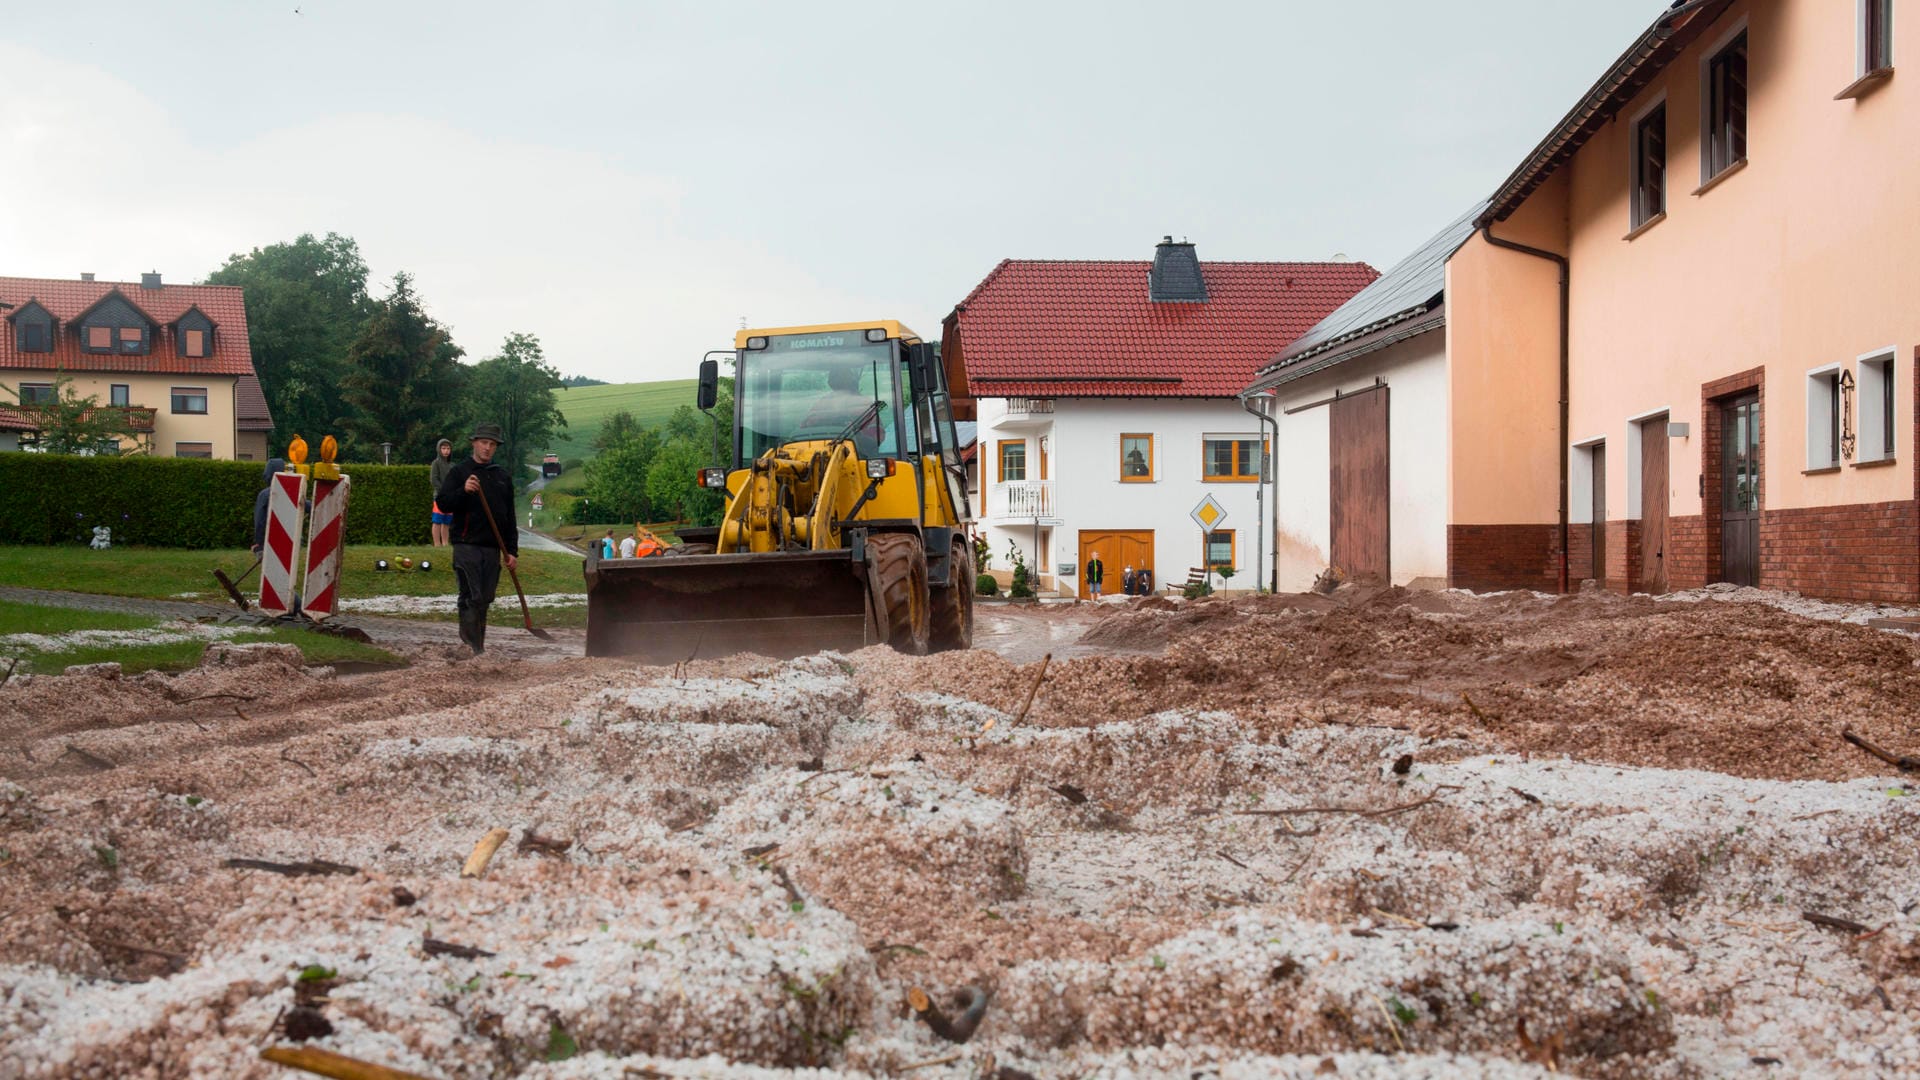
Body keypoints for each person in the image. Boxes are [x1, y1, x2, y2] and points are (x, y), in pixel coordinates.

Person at [435, 423, 518, 655]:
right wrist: (464, 490)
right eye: (484, 443)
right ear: (474, 443)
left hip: (493, 549)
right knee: (472, 596)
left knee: (486, 598)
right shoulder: (460, 472)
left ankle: (477, 646)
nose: (487, 448)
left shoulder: (502, 476)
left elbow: (509, 517)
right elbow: (443, 503)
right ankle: (472, 648)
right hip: (466, 545)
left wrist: (512, 551)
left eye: (492, 444)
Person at [251, 456, 286, 556]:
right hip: (290, 541)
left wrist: (259, 544)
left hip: (270, 541)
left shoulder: (265, 495)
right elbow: (307, 506)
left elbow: (259, 521)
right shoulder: (291, 492)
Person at [429, 438, 455, 547]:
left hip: (450, 497)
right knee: (437, 520)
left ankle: (445, 543)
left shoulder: (452, 465)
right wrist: (443, 491)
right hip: (439, 496)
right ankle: (437, 544)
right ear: (439, 449)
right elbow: (433, 479)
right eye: (443, 448)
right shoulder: (436, 463)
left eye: (448, 448)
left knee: (447, 521)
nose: (446, 451)